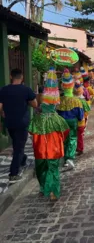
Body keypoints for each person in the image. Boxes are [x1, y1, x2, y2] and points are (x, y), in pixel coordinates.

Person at [28, 67, 69, 201]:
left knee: (41, 169)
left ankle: (44, 187)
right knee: (53, 169)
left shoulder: (36, 119)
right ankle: (53, 192)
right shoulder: (58, 119)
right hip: (54, 148)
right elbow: (65, 132)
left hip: (39, 150)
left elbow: (30, 130)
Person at [0, 68, 38, 183]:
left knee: (17, 144)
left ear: (11, 77)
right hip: (22, 123)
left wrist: (2, 114)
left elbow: (0, 107)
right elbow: (35, 104)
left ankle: (23, 159)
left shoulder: (3, 90)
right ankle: (13, 174)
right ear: (22, 77)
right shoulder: (26, 89)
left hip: (9, 123)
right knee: (19, 147)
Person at [56, 69, 84, 169]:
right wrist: (80, 119)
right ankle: (70, 157)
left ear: (63, 86)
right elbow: (80, 115)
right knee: (72, 138)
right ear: (72, 86)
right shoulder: (76, 100)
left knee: (64, 139)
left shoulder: (60, 100)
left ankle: (64, 158)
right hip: (72, 121)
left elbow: (57, 112)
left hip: (62, 122)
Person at [74, 81, 90, 156]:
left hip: (73, 121)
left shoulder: (72, 100)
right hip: (81, 122)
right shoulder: (83, 101)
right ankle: (80, 148)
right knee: (80, 135)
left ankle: (72, 149)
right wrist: (85, 118)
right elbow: (87, 111)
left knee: (72, 136)